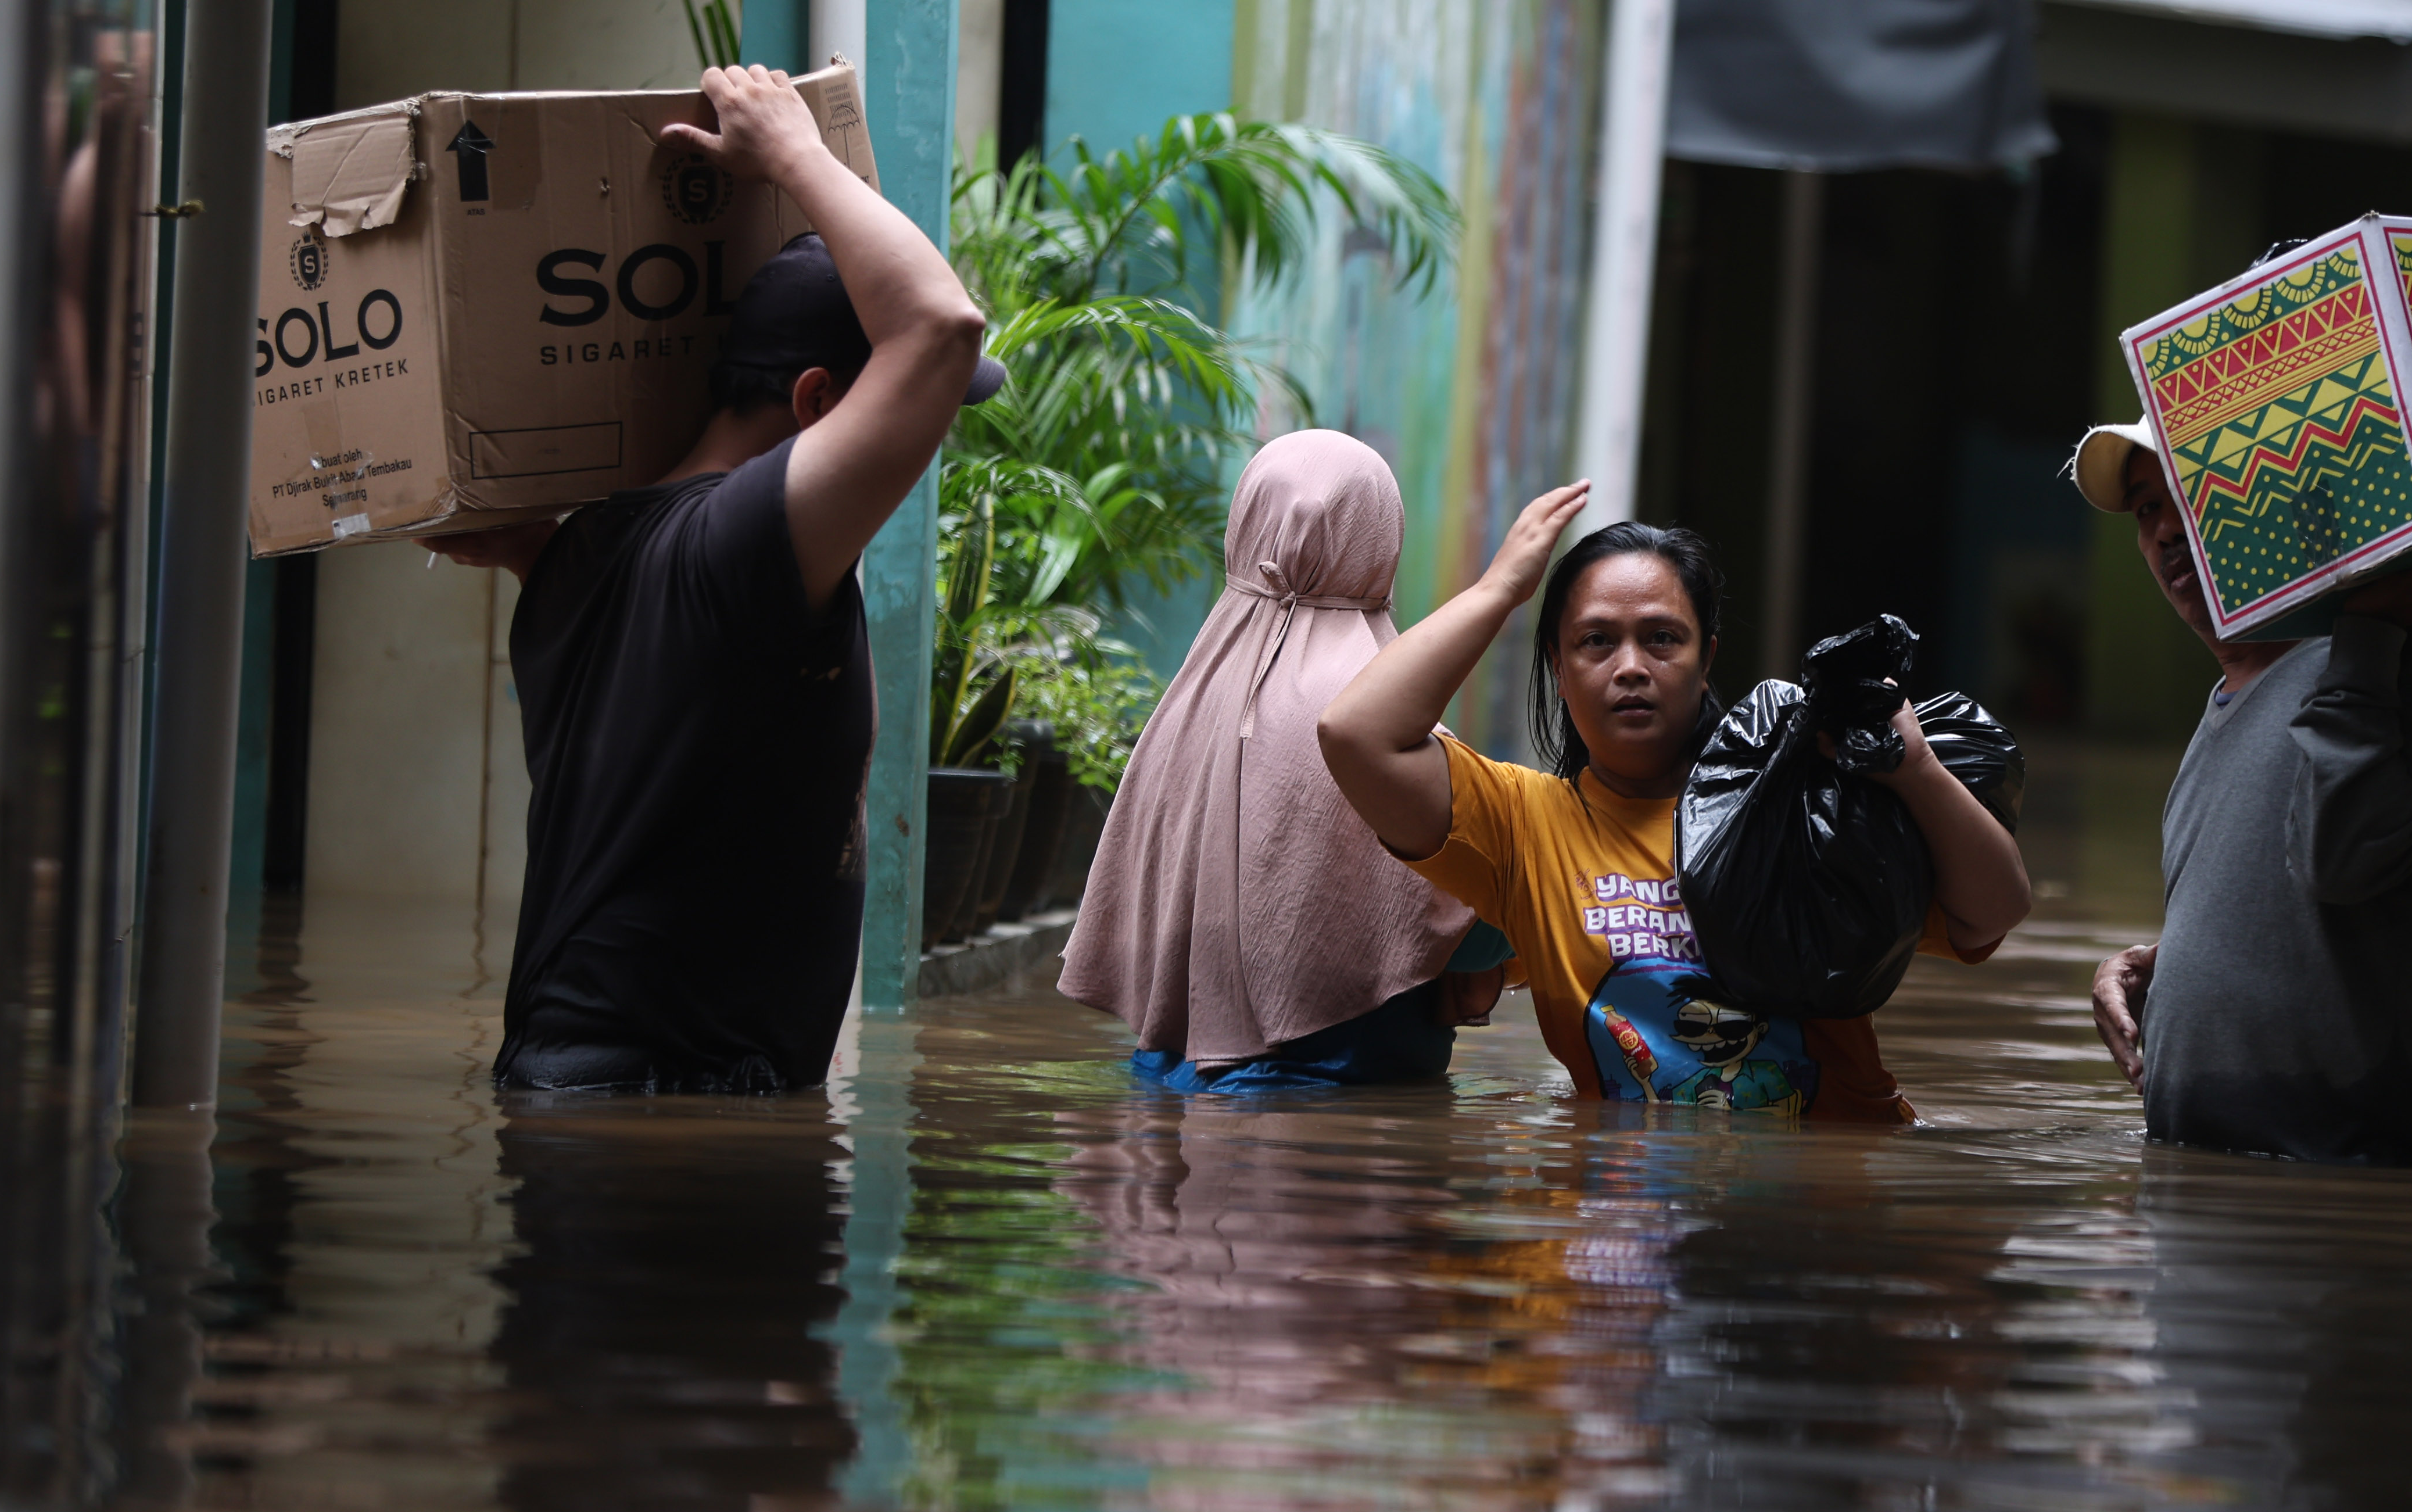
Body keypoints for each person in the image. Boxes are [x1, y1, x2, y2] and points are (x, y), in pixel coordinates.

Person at [421, 65, 991, 1091]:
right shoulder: (743, 541)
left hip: (586, 1085)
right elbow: (941, 330)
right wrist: (794, 153)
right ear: (817, 401)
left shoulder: (580, 550)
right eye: (912, 414)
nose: (925, 436)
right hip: (667, 1096)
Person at [1317, 487, 2033, 1119]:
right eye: (1596, 641)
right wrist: (1501, 589)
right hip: (1616, 1229)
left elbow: (1994, 913)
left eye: (1662, 639)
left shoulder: (1797, 801)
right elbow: (1357, 734)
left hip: (1822, 1211)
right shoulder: (1523, 826)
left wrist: (1915, 769)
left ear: (1706, 658)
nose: (1631, 666)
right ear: (1559, 672)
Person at [2072, 420, 2412, 1165]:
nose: (2164, 531)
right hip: (2211, 1203)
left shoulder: (2390, 670)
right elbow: (2307, 907)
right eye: (2144, 509)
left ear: (2271, 507)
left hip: (2343, 1199)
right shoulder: (2221, 712)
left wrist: (2371, 627)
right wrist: (2161, 963)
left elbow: (2346, 859)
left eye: (2188, 495)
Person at [1059, 429, 1510, 1091]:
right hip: (1347, 1085)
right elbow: (1467, 920)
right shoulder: (1374, 715)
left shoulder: (1188, 701)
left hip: (1180, 1071)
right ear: (1381, 538)